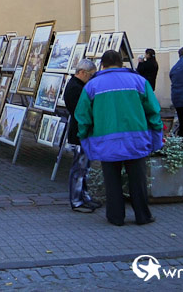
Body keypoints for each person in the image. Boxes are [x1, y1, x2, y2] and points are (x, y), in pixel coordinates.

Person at [75, 50, 163, 227]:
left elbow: (83, 116)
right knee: (138, 181)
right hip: (136, 140)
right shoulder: (139, 81)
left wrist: (84, 137)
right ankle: (143, 216)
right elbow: (153, 111)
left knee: (112, 181)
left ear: (102, 64)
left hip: (106, 142)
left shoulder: (92, 86)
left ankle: (115, 217)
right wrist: (156, 134)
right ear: (121, 63)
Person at [63, 59, 101, 213]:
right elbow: (82, 111)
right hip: (79, 133)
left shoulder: (78, 86)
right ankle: (77, 200)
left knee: (84, 168)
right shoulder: (75, 88)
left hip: (81, 132)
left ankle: (84, 196)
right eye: (91, 75)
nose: (92, 78)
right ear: (83, 73)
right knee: (79, 168)